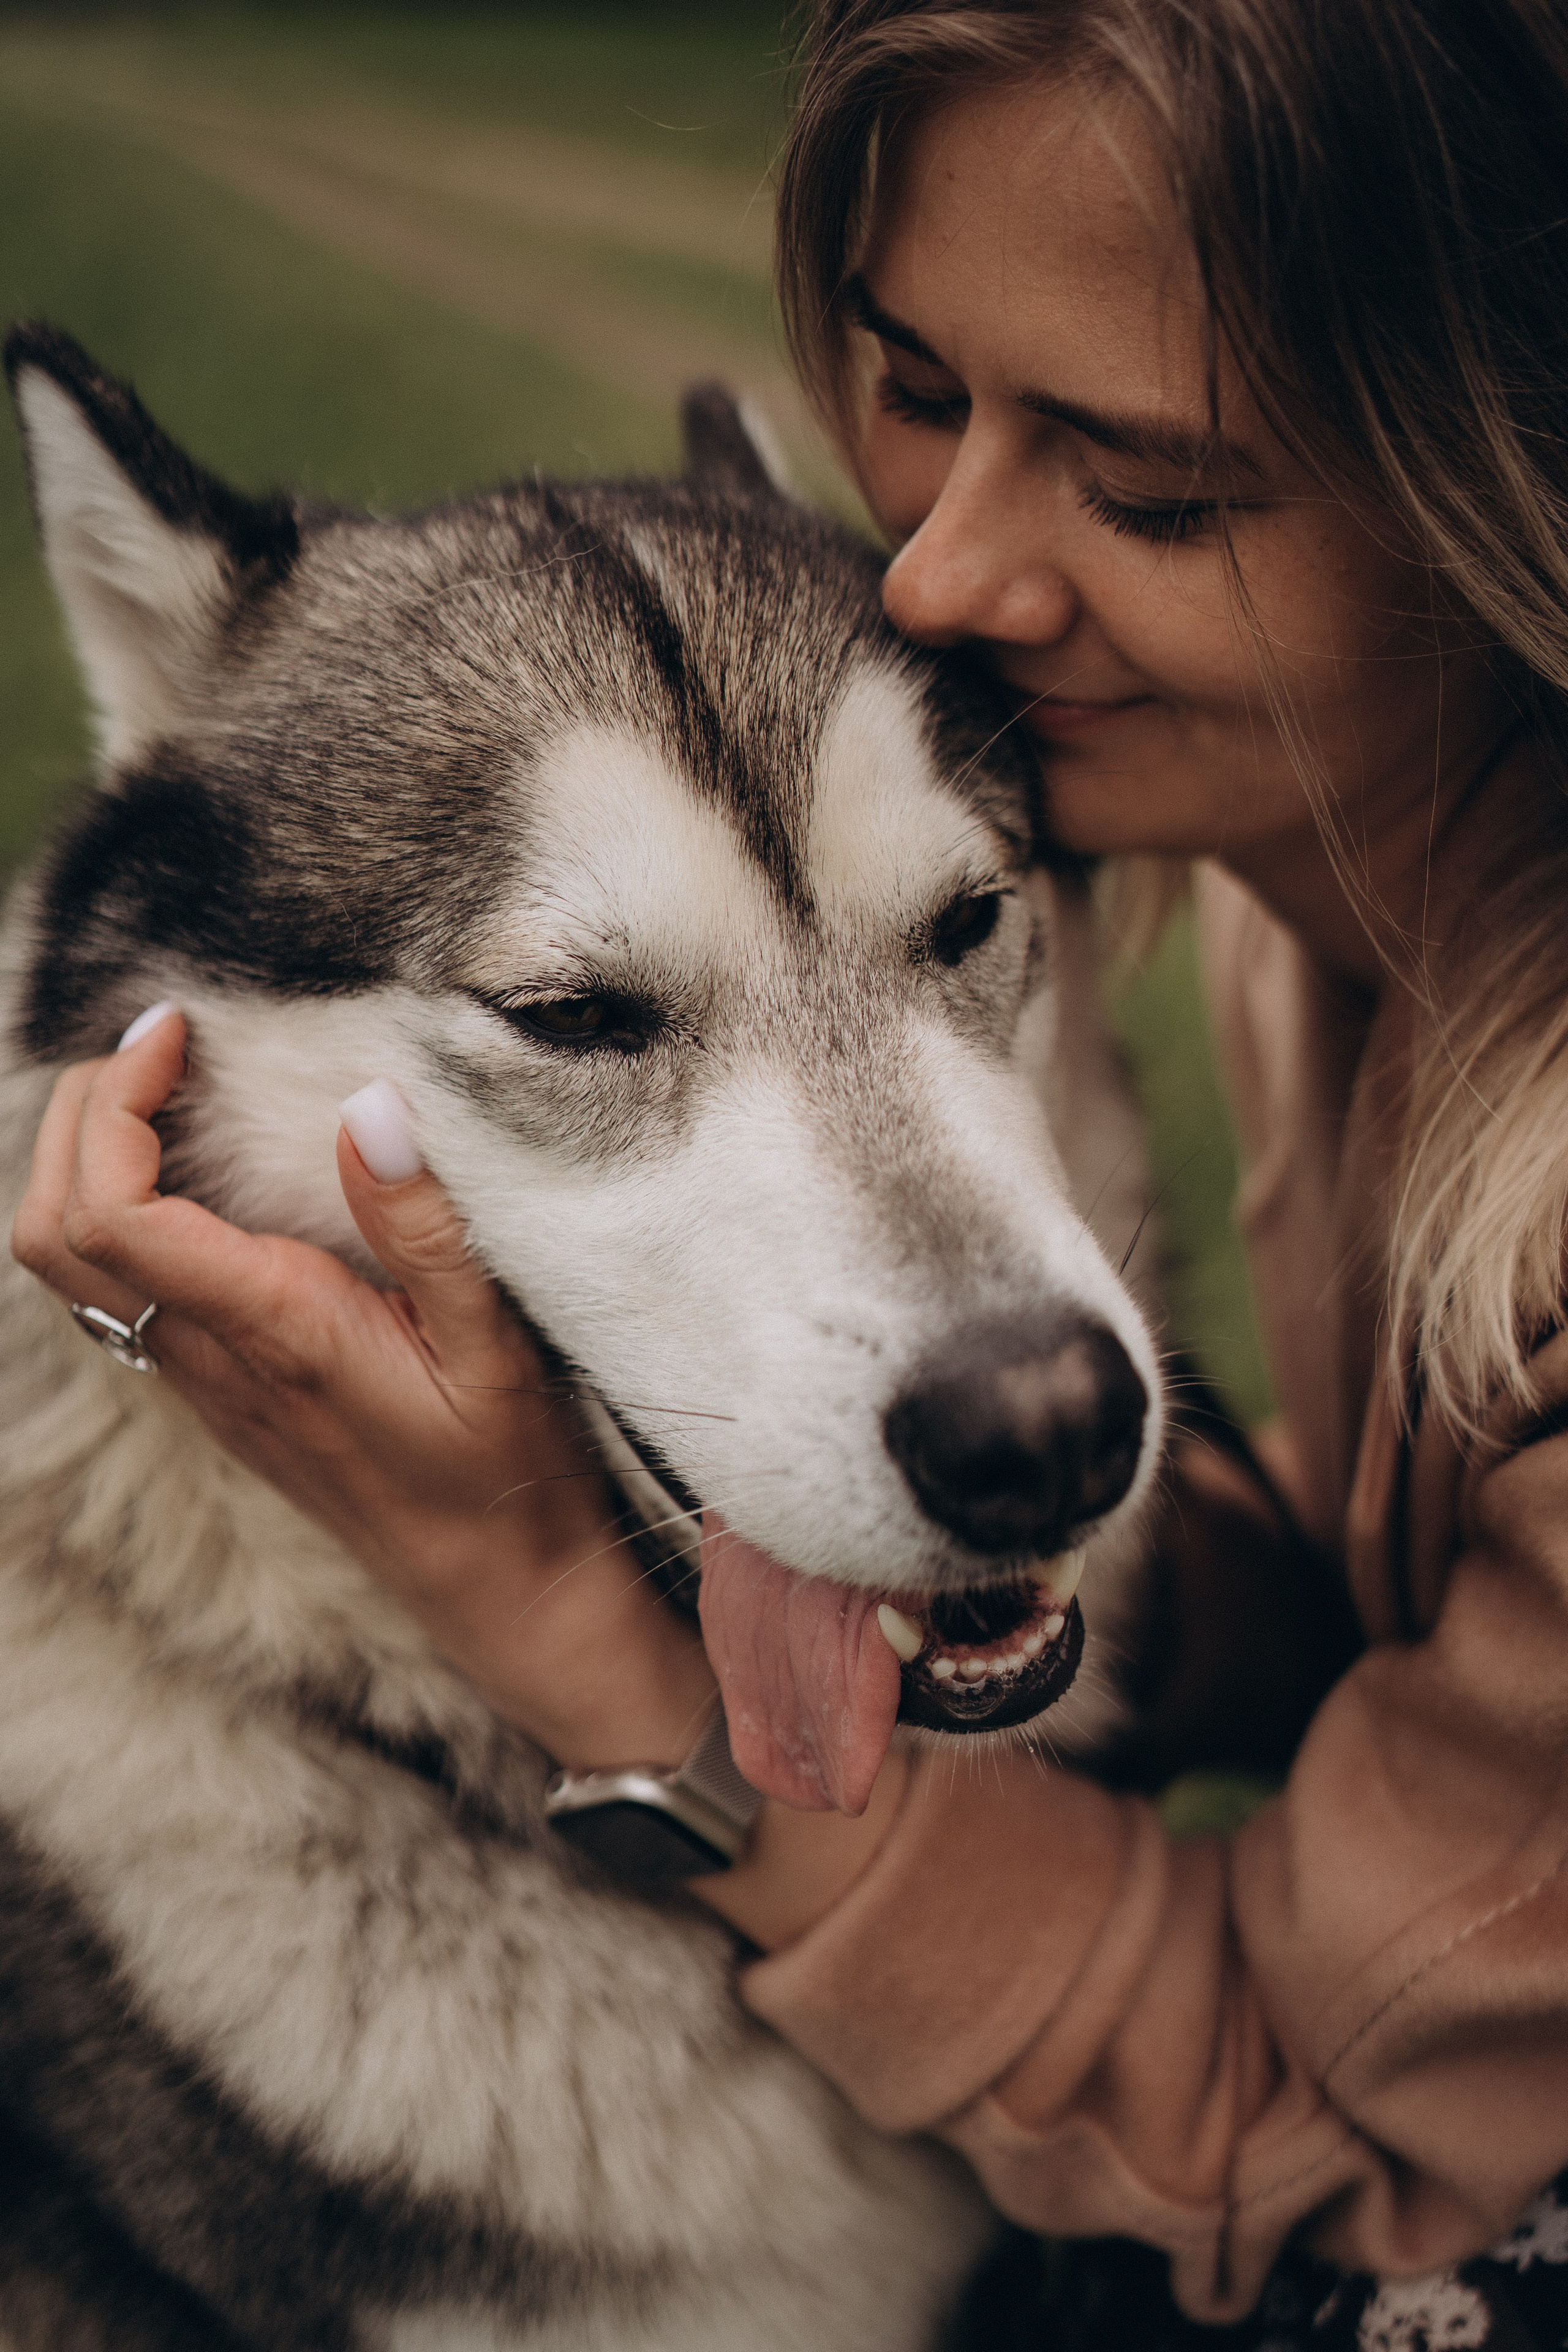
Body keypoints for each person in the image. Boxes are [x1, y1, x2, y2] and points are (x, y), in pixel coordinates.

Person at [17, 0, 1568, 2340]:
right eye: (922, 396)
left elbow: (1337, 2130)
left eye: (1149, 486)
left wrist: (578, 1645)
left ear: (1500, 483)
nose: (925, 581)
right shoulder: (1320, 898)